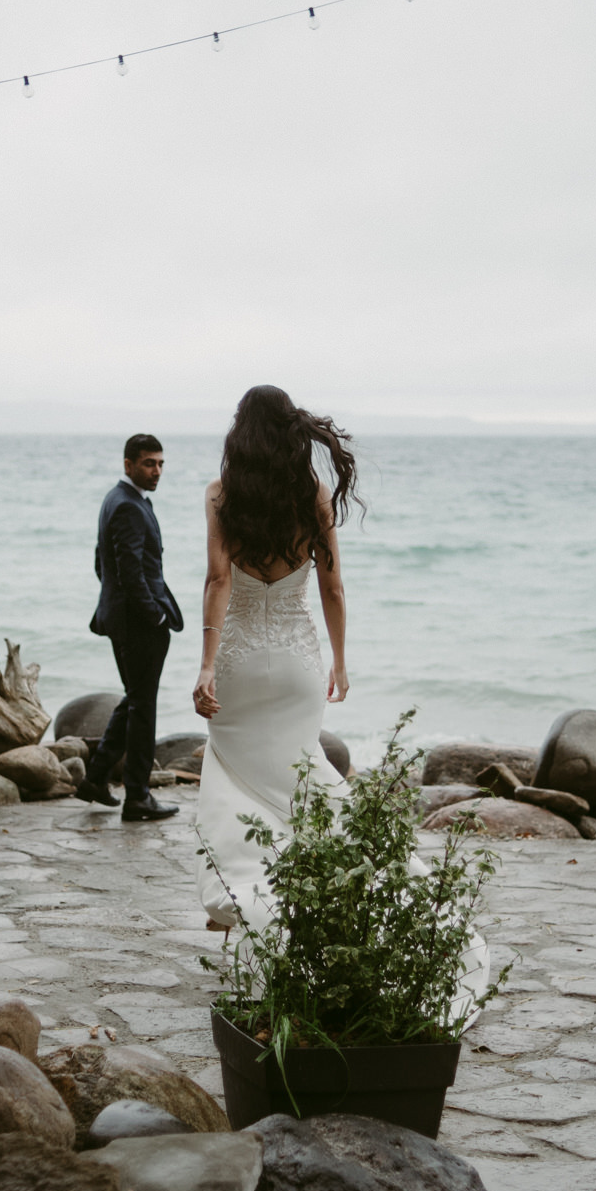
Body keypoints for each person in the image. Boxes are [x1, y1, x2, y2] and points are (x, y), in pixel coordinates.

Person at [191, 386, 490, 1020]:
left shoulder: (221, 495)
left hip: (241, 661)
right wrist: (341, 660)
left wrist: (207, 665)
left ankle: (250, 905)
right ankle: (332, 897)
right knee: (303, 780)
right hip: (299, 663)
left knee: (242, 782)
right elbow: (331, 584)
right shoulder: (312, 496)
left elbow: (219, 580)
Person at [78, 433, 181, 822]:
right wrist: (153, 613)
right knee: (144, 707)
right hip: (140, 624)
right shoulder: (128, 506)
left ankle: (95, 777)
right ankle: (137, 797)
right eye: (148, 463)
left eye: (160, 464)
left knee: (135, 699)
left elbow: (101, 563)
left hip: (124, 620)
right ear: (128, 464)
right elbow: (127, 570)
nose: (156, 471)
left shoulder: (117, 500)